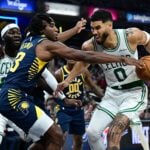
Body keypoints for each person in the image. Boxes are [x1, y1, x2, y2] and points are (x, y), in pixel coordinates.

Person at [0, 13, 143, 150]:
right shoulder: (46, 45)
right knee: (56, 137)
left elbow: (55, 41)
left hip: (9, 96)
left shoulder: (29, 40)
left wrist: (62, 98)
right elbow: (84, 55)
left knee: (45, 140)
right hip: (14, 97)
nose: (56, 29)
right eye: (52, 26)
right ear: (43, 30)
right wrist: (121, 58)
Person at [55, 10, 150, 150]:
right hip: (111, 95)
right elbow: (82, 63)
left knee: (114, 133)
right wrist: (67, 80)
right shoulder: (90, 46)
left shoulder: (131, 35)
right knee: (92, 133)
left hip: (134, 93)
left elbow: (147, 40)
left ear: (110, 25)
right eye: (92, 28)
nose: (94, 32)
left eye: (98, 27)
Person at [54, 59, 104, 150]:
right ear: (65, 58)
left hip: (78, 110)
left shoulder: (84, 71)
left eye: (74, 57)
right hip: (63, 109)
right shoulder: (59, 73)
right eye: (69, 56)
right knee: (61, 136)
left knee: (79, 141)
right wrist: (66, 100)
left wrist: (105, 97)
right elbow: (54, 93)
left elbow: (93, 87)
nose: (72, 59)